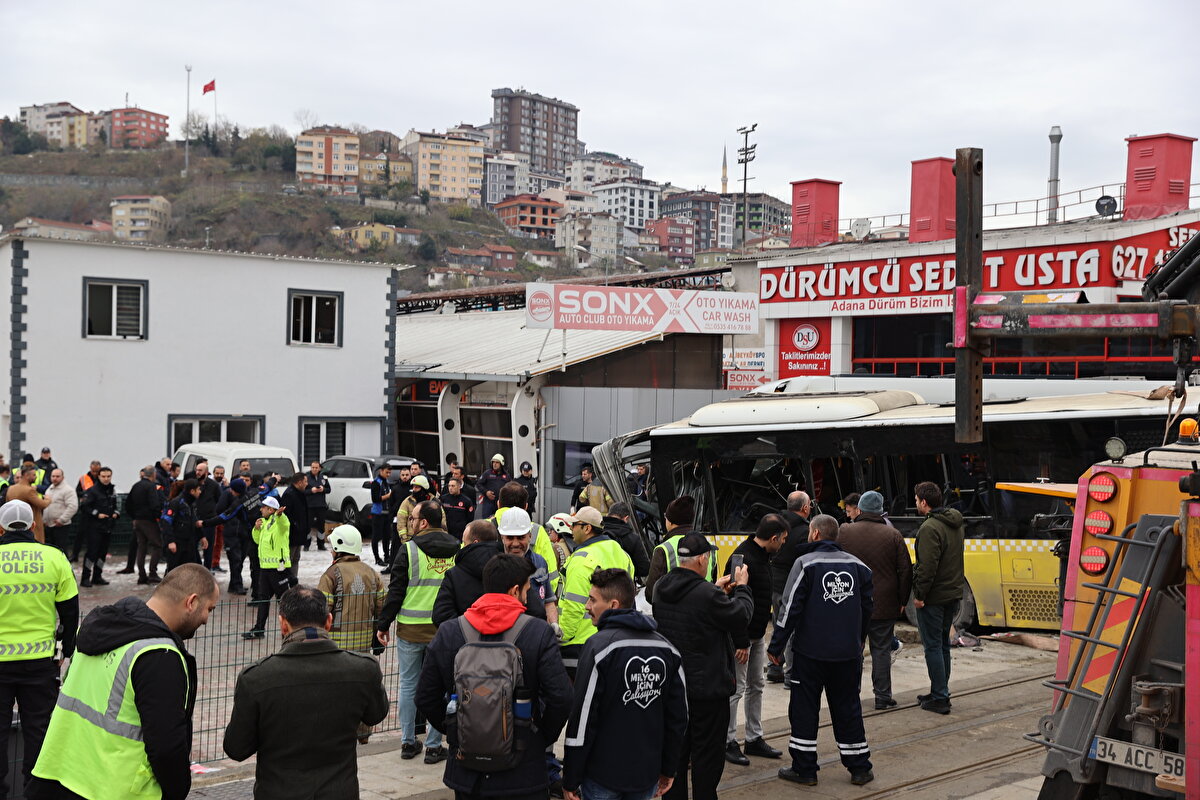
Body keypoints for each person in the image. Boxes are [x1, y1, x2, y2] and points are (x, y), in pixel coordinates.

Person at [30, 563, 219, 800]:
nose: (206, 620)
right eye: (209, 609)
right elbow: (166, 748)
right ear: (191, 602)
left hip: (58, 779)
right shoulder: (159, 655)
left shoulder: (95, 629)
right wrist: (177, 790)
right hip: (116, 790)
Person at [416, 554, 572, 800]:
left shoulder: (450, 632)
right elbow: (561, 697)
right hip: (523, 770)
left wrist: (458, 731)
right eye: (527, 590)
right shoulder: (537, 632)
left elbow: (425, 697)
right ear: (514, 590)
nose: (528, 596)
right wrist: (537, 736)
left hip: (467, 771)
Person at [223, 586, 389, 799]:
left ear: (283, 624)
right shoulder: (364, 669)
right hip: (339, 791)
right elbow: (376, 714)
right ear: (328, 621)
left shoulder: (256, 678)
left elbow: (236, 748)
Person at [768, 514, 874, 787]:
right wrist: (858, 640)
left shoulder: (804, 564)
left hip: (810, 654)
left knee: (804, 710)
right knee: (848, 708)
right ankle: (860, 767)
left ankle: (805, 769)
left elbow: (790, 608)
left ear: (814, 534)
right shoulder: (859, 567)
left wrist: (777, 646)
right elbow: (867, 609)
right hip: (848, 655)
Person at [563, 568, 686, 800]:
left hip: (602, 777)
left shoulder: (598, 647)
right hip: (645, 777)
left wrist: (571, 776)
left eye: (592, 599)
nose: (587, 606)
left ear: (613, 605)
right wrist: (668, 768)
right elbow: (678, 718)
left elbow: (582, 719)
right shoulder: (668, 649)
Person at [652, 532, 753, 800]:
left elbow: (692, 610)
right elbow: (740, 616)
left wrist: (716, 590)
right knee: (707, 756)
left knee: (675, 753)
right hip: (707, 689)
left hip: (673, 687)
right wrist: (741, 587)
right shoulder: (707, 595)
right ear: (703, 559)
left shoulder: (661, 588)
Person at [0, 500, 78, 798]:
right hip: (40, 663)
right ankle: (35, 793)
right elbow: (70, 612)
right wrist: (66, 649)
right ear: (33, 525)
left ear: (1, 527)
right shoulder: (54, 557)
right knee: (39, 733)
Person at [376, 500, 460, 763]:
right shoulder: (457, 548)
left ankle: (408, 742)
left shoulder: (408, 550)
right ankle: (434, 745)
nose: (410, 522)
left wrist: (383, 623)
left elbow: (396, 592)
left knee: (409, 684)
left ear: (423, 522)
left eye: (412, 519)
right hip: (444, 632)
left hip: (411, 630)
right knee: (442, 688)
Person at [837, 490, 912, 710]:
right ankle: (882, 696)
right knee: (881, 650)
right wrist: (902, 599)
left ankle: (851, 695)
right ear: (881, 511)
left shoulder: (845, 531)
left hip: (851, 603)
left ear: (859, 509)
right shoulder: (893, 535)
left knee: (854, 650)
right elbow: (905, 570)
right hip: (884, 602)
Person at [724, 514, 787, 766]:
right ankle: (728, 741)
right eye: (782, 540)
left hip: (757, 634)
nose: (783, 544)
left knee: (756, 685)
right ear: (773, 538)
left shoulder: (762, 556)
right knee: (736, 689)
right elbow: (731, 602)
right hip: (742, 638)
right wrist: (740, 641)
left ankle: (754, 737)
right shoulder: (742, 558)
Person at [559, 506, 635, 678]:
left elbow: (573, 605)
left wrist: (562, 636)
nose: (571, 529)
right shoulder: (622, 553)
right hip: (616, 636)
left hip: (579, 642)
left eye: (574, 525)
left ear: (587, 528)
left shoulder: (581, 559)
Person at [911, 481, 965, 715]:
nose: (915, 503)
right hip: (952, 593)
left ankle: (940, 697)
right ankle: (939, 690)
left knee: (932, 645)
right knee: (943, 644)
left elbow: (927, 567)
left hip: (934, 596)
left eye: (916, 499)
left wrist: (920, 595)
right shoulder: (955, 522)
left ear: (924, 502)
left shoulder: (929, 528)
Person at [433, 520, 548, 625]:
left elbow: (441, 616)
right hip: (511, 645)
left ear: (474, 542)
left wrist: (468, 634)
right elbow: (537, 612)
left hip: (467, 646)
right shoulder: (514, 570)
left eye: (464, 542)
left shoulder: (454, 575)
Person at [317, 524, 386, 661]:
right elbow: (381, 607)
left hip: (336, 647)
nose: (331, 551)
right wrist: (377, 635)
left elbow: (321, 611)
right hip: (364, 646)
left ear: (338, 547)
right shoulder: (372, 573)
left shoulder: (331, 575)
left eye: (332, 548)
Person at [767, 491, 812, 683]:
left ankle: (774, 667)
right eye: (809, 504)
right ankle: (791, 674)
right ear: (804, 508)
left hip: (774, 584)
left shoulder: (773, 524)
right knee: (793, 629)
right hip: (793, 586)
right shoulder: (805, 530)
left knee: (779, 625)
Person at [490, 482, 561, 593]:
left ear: (498, 504)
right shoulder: (537, 531)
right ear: (526, 506)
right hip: (528, 600)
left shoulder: (481, 527)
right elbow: (551, 576)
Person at [645, 496, 715, 603]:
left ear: (671, 522)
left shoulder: (663, 549)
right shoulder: (709, 546)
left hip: (675, 613)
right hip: (705, 608)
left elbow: (651, 593)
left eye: (666, 517)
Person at [498, 507, 558, 626]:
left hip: (536, 633)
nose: (515, 544)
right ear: (502, 538)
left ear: (530, 536)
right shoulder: (494, 567)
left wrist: (554, 625)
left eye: (521, 537)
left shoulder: (540, 563)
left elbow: (548, 601)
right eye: (510, 538)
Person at [244, 496, 293, 639]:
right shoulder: (264, 523)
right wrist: (256, 529)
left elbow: (284, 525)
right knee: (263, 598)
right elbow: (257, 540)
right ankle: (259, 629)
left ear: (271, 509)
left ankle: (289, 630)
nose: (260, 509)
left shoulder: (280, 522)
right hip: (265, 568)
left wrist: (280, 515)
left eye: (263, 507)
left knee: (283, 600)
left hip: (278, 568)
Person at [160, 479, 214, 573]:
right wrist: (170, 541)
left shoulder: (190, 503)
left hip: (189, 543)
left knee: (193, 570)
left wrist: (202, 536)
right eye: (198, 489)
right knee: (174, 572)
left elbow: (194, 521)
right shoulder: (176, 503)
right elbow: (166, 522)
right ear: (192, 491)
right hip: (177, 543)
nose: (200, 492)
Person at [79, 466, 120, 587]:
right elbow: (84, 507)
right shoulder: (92, 491)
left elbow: (116, 505)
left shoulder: (111, 490)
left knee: (102, 554)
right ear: (99, 476)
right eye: (103, 476)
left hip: (107, 526)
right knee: (91, 553)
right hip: (94, 527)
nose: (106, 479)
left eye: (108, 476)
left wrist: (116, 513)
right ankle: (85, 577)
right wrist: (96, 514)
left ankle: (98, 576)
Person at [126, 465, 165, 585]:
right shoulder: (151, 486)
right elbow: (154, 504)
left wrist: (134, 517)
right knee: (157, 545)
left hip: (137, 520)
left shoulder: (136, 486)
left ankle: (142, 575)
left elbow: (128, 504)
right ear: (153, 475)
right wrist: (158, 517)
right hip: (149, 521)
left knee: (142, 546)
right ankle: (152, 573)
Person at [215, 478, 254, 595]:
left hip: (244, 533)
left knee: (240, 559)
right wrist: (232, 515)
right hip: (232, 532)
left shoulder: (246, 495)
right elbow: (219, 510)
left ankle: (234, 584)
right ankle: (237, 585)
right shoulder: (227, 494)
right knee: (235, 560)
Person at [601, 502, 650, 582]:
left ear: (608, 515)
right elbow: (644, 569)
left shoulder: (599, 535)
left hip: (603, 586)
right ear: (626, 518)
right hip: (625, 586)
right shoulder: (633, 538)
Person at [396, 475, 446, 542]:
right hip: (412, 539)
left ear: (424, 489)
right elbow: (401, 520)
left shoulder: (435, 502)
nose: (414, 490)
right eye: (413, 487)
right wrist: (405, 539)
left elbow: (442, 521)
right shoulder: (408, 501)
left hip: (432, 539)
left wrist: (443, 536)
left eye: (417, 487)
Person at [7, 465, 50, 544]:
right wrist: (48, 499)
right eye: (34, 475)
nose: (36, 477)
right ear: (27, 476)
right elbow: (42, 504)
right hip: (31, 528)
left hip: (13, 527)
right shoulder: (29, 490)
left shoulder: (11, 489)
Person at [192, 460, 222, 570]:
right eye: (196, 470)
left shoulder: (213, 485)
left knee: (208, 547)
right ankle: (198, 567)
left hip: (209, 521)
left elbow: (220, 501)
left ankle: (207, 569)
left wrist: (215, 515)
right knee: (193, 545)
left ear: (206, 472)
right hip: (194, 520)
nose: (197, 472)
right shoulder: (193, 483)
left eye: (200, 470)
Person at [42, 469, 78, 556]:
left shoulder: (68, 490)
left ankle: (64, 568)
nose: (55, 478)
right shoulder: (49, 489)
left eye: (57, 476)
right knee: (51, 550)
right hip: (49, 525)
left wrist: (61, 520)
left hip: (61, 526)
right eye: (53, 476)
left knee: (61, 550)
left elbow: (73, 507)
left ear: (63, 477)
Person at [281, 473, 309, 577]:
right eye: (305, 481)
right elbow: (286, 516)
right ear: (299, 482)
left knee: (296, 559)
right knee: (288, 560)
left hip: (300, 534)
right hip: (291, 535)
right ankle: (286, 583)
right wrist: (296, 526)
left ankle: (294, 582)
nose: (307, 484)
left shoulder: (300, 493)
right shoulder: (289, 494)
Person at [369, 463, 395, 568]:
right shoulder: (376, 483)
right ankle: (377, 558)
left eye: (389, 473)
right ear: (381, 471)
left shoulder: (386, 482)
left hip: (387, 514)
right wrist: (388, 496)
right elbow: (375, 499)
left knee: (386, 536)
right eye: (386, 472)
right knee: (376, 537)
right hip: (377, 514)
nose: (388, 474)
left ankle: (387, 556)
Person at [474, 454, 510, 519]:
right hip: (488, 502)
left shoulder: (506, 475)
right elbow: (478, 484)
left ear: (501, 463)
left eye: (497, 462)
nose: (494, 464)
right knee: (487, 522)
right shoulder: (487, 473)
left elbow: (510, 488)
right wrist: (486, 492)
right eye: (493, 462)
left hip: (501, 503)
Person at [305, 460, 330, 551]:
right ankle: (306, 544)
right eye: (313, 467)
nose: (314, 469)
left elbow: (329, 489)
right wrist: (311, 491)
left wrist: (323, 489)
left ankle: (321, 544)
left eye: (316, 468)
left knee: (321, 526)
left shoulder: (323, 477)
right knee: (308, 526)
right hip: (310, 506)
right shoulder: (306, 477)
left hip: (321, 505)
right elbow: (303, 491)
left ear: (319, 468)